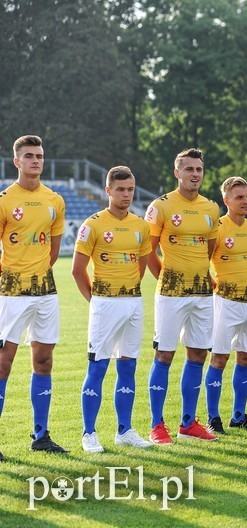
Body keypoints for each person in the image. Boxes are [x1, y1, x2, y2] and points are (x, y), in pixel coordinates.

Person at [73, 166, 153, 452]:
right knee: (98, 367)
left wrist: (127, 292)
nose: (126, 194)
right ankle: (89, 433)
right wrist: (95, 301)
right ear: (108, 190)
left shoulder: (141, 225)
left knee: (128, 366)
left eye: (130, 189)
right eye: (120, 189)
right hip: (104, 305)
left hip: (133, 302)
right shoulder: (93, 224)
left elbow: (141, 265)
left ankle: (124, 429)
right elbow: (77, 270)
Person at [146, 147, 221, 443]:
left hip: (202, 294)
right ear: (177, 173)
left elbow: (210, 249)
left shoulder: (211, 208)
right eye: (189, 169)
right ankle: (156, 425)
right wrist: (167, 277)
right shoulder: (161, 206)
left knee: (198, 354)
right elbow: (148, 251)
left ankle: (188, 423)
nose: (195, 174)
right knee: (164, 354)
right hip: (171, 293)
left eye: (199, 170)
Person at [0, 135, 67, 459]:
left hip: (45, 292)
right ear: (17, 161)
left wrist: (37, 273)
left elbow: (53, 251)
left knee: (43, 360)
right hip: (11, 292)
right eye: (29, 156)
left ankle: (41, 435)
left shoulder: (54, 200)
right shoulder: (3, 199)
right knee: (3, 364)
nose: (35, 161)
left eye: (39, 155)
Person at [205, 177, 247, 435]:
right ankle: (213, 417)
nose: (246, 201)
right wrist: (216, 287)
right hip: (225, 304)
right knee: (219, 358)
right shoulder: (218, 228)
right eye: (240, 197)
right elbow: (202, 262)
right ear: (226, 200)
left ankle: (239, 415)